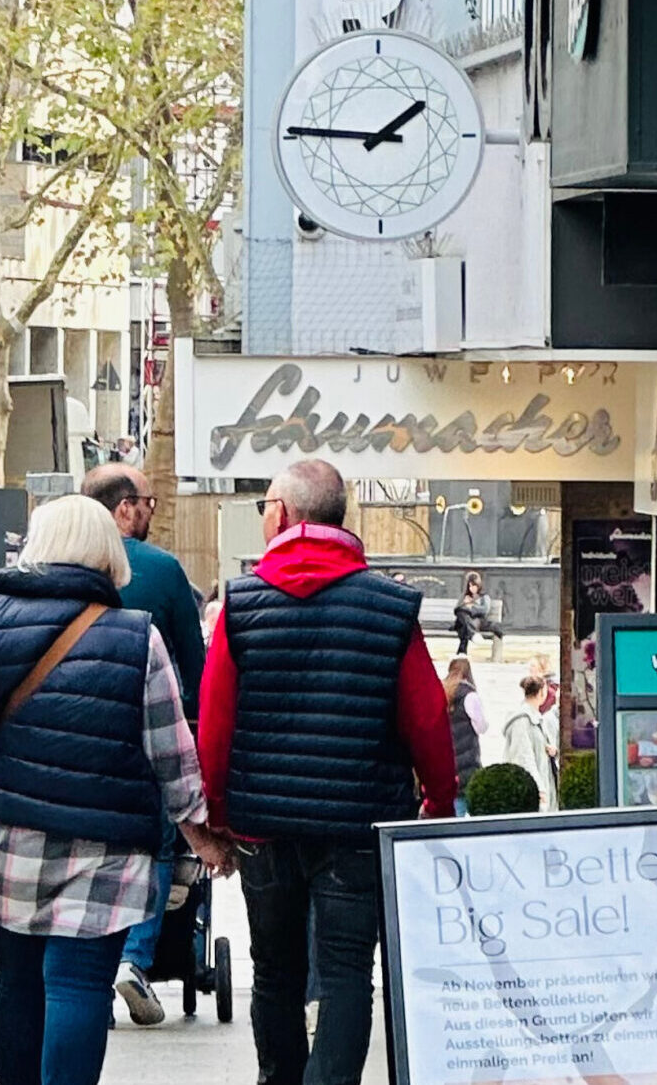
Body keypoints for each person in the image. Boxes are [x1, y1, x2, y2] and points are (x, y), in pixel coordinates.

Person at [0, 496, 230, 1085]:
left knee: (17, 983)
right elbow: (172, 753)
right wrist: (199, 833)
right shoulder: (138, 638)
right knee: (79, 984)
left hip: (10, 842)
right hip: (106, 850)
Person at [199, 459, 458, 1085]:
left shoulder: (241, 602)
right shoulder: (391, 608)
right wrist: (439, 806)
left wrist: (218, 817)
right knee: (346, 975)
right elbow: (427, 721)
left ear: (282, 514)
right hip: (358, 826)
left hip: (264, 828)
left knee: (276, 972)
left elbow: (214, 724)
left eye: (264, 504)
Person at [78, 463, 208, 1024]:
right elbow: (195, 664)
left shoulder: (56, 564)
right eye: (150, 504)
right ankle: (134, 959)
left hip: (71, 736)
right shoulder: (160, 569)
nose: (152, 515)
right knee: (154, 845)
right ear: (126, 507)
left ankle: (87, 966)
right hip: (147, 732)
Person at [498, 673, 559, 810]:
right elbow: (523, 757)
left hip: (544, 785)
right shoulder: (521, 721)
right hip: (532, 791)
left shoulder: (537, 718)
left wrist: (553, 751)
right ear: (541, 693)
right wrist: (538, 787)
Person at [443, 656, 486, 817]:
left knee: (454, 807)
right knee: (470, 802)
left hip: (446, 757)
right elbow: (481, 726)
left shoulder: (442, 691)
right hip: (467, 757)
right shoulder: (469, 695)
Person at [453, 571, 498, 655]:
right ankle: (473, 634)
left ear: (478, 585)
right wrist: (466, 604)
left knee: (464, 622)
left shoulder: (484, 597)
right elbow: (456, 609)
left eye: (474, 586)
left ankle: (461, 652)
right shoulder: (464, 596)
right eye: (469, 586)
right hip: (463, 622)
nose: (471, 588)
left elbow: (484, 610)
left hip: (476, 622)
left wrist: (471, 607)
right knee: (462, 614)